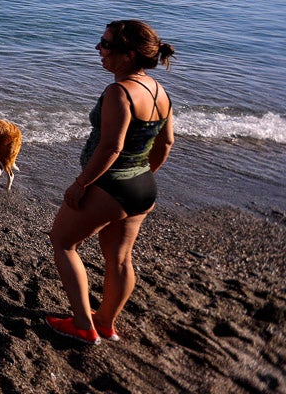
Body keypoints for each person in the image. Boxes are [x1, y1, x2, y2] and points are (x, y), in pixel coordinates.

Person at [46, 20, 176, 344]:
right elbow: (166, 143)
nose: (98, 49)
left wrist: (81, 184)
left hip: (110, 185)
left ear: (129, 55)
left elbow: (111, 147)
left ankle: (82, 325)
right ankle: (105, 322)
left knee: (62, 242)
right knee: (119, 258)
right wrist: (141, 175)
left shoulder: (119, 92)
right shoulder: (160, 91)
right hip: (142, 186)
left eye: (104, 44)